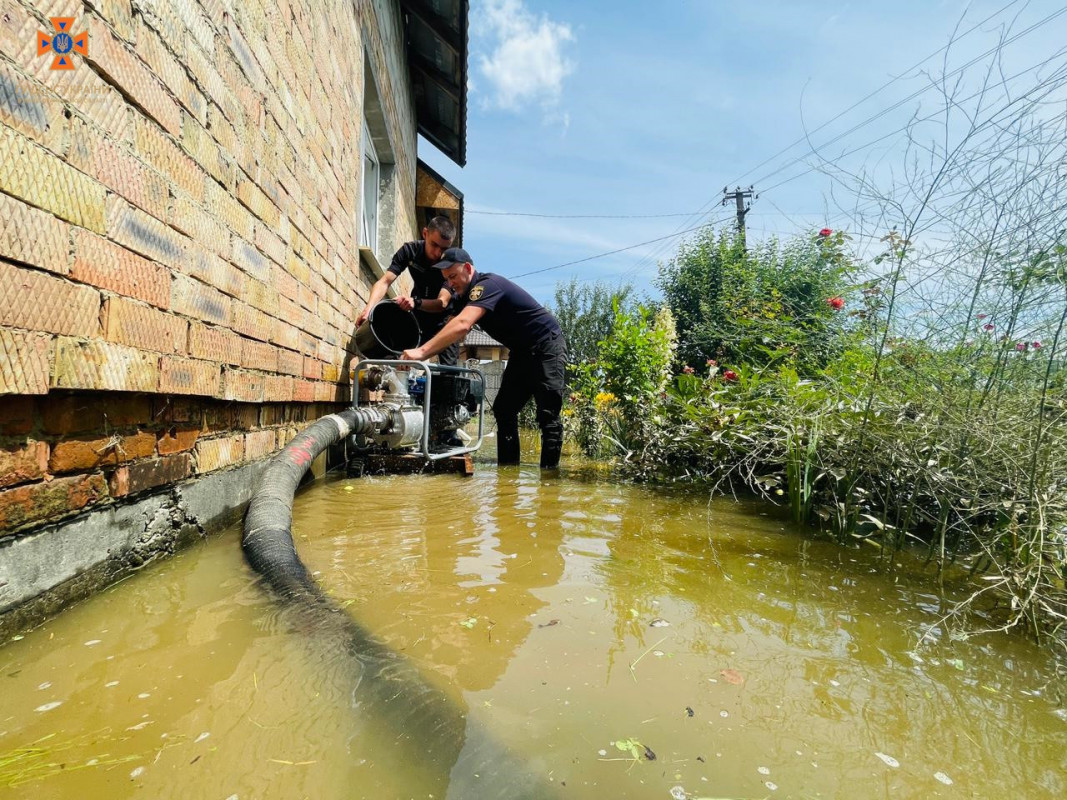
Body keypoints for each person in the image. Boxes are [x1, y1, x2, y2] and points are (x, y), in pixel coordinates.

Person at [400, 247, 567, 470]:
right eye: (446, 280)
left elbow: (462, 325)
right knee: (504, 410)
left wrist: (421, 353)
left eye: (453, 276)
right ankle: (508, 474)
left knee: (548, 415)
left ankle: (549, 485)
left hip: (547, 345)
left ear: (468, 269)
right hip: (521, 352)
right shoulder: (464, 298)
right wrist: (415, 305)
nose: (450, 284)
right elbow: (446, 320)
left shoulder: (487, 286)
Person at [355, 215, 460, 366]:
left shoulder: (450, 263)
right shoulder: (410, 250)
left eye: (443, 249)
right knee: (400, 358)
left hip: (444, 321)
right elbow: (385, 282)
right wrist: (368, 308)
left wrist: (416, 302)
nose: (438, 253)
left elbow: (442, 303)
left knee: (448, 371)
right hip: (417, 315)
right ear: (425, 234)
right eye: (434, 245)